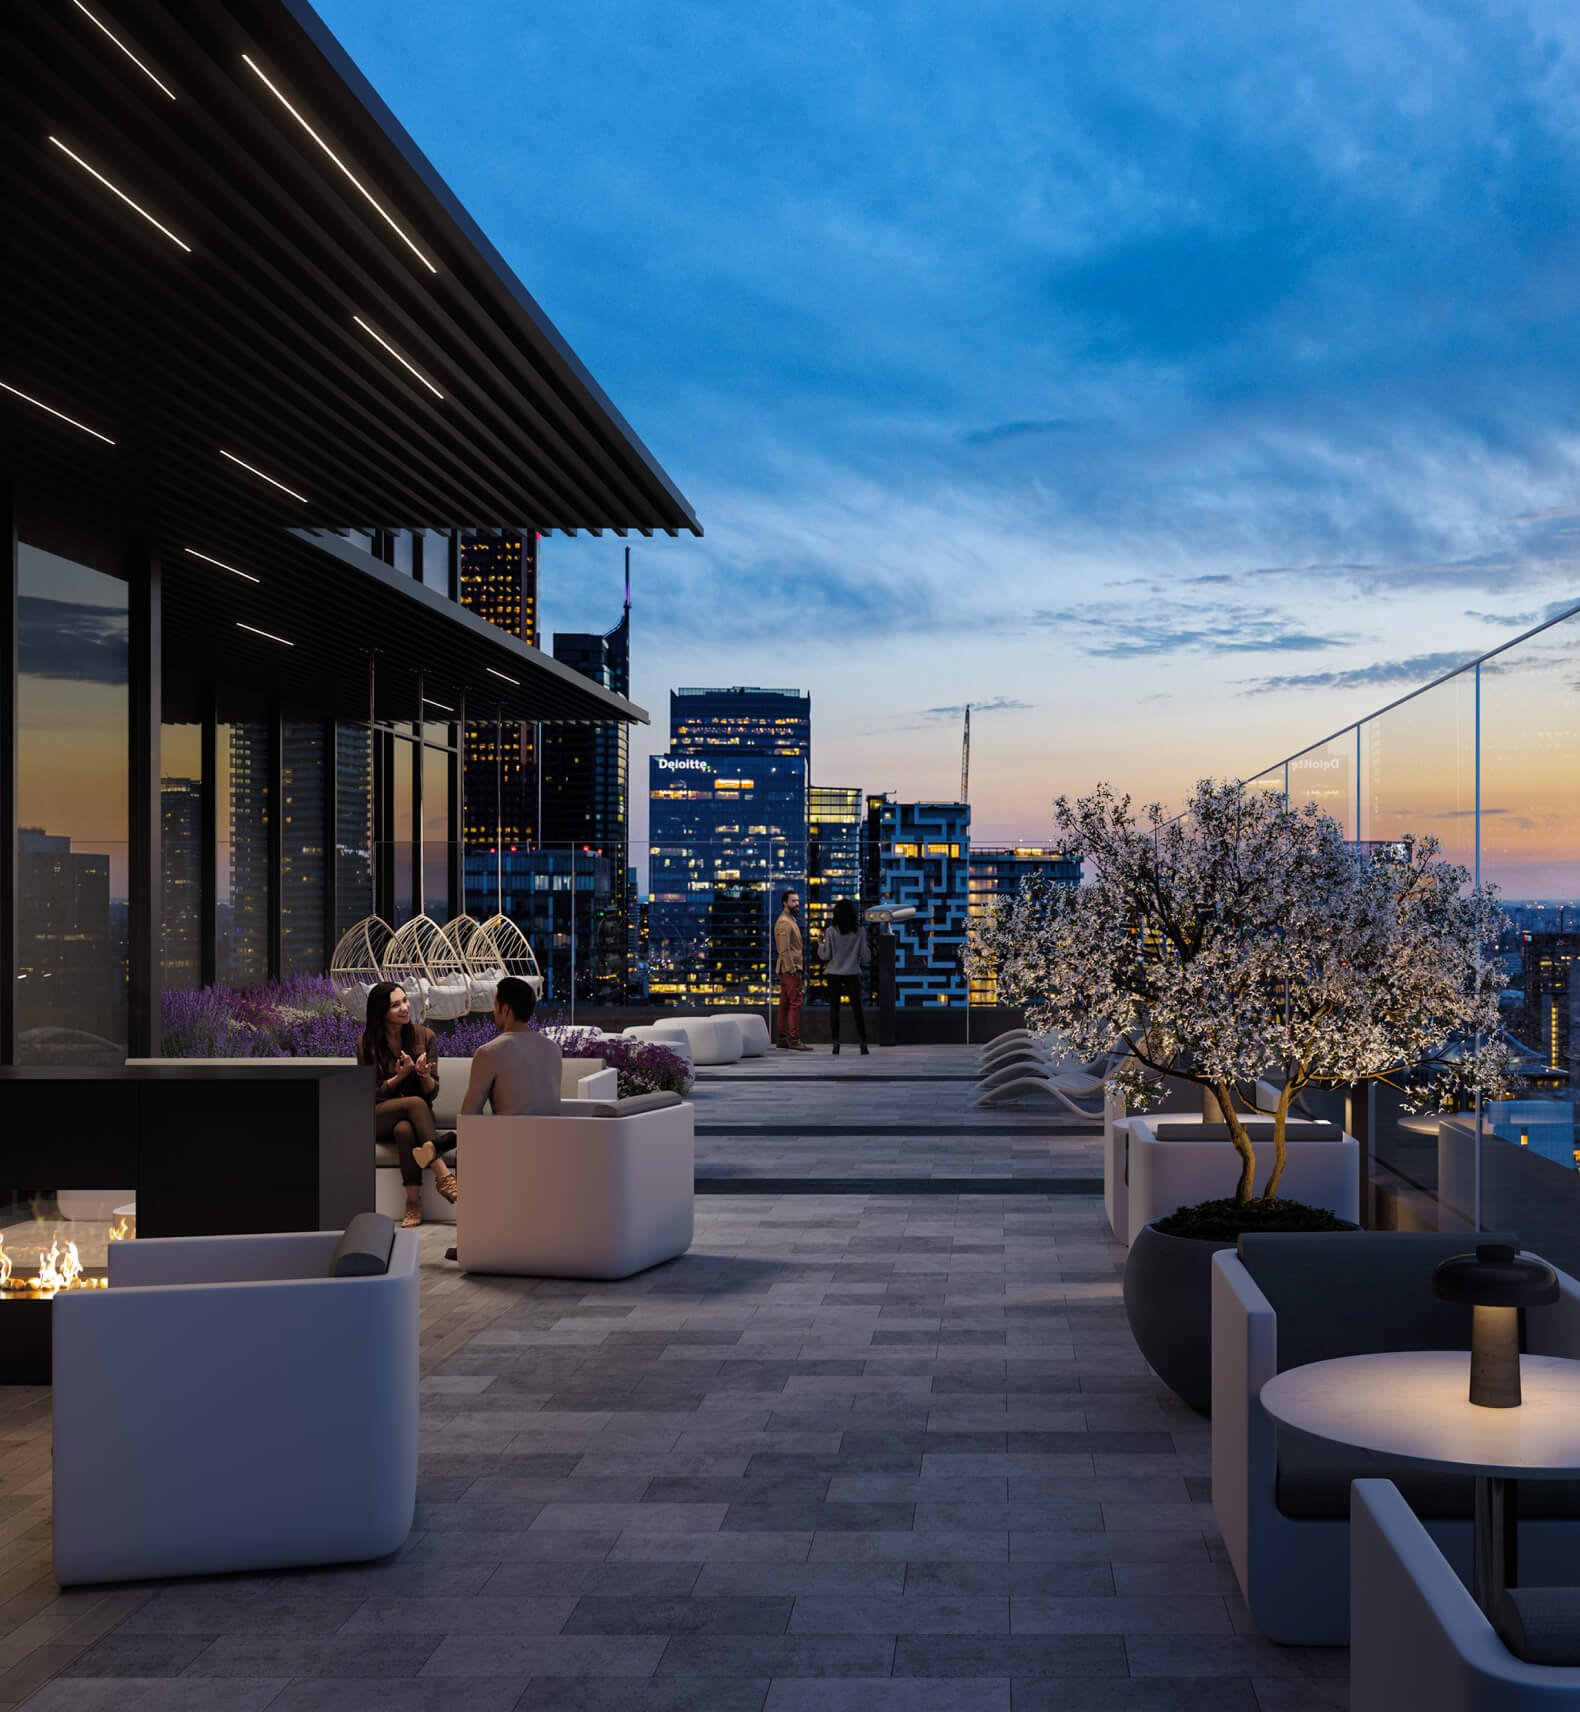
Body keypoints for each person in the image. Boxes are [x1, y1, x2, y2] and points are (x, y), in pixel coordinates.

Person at [358, 981, 456, 1229]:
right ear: (381, 1011)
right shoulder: (366, 1044)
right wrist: (400, 1077)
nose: (404, 1007)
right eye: (395, 1005)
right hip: (379, 1115)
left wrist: (423, 1076)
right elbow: (369, 1095)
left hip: (418, 1117)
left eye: (405, 1000)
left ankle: (413, 1203)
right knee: (412, 1104)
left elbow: (432, 1093)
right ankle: (443, 1175)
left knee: (405, 1130)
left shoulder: (425, 1037)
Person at [460, 976, 563, 1115]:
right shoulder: (553, 1049)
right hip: (552, 1135)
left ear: (506, 1009)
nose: (493, 1011)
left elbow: (468, 1115)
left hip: (508, 1135)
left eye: (495, 1005)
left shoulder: (489, 1053)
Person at [818, 896, 871, 1055]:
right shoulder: (860, 931)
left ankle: (836, 1043)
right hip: (853, 973)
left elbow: (825, 956)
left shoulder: (831, 931)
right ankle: (863, 1042)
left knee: (835, 1009)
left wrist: (820, 943)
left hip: (834, 973)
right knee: (857, 1008)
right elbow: (865, 956)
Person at [774, 889, 810, 1051]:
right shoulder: (784, 922)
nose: (797, 903)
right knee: (795, 1003)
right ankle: (794, 1040)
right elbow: (784, 949)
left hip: (789, 969)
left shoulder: (789, 920)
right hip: (790, 969)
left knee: (786, 1003)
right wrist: (792, 969)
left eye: (797, 900)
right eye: (793, 901)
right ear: (785, 903)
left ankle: (782, 1038)